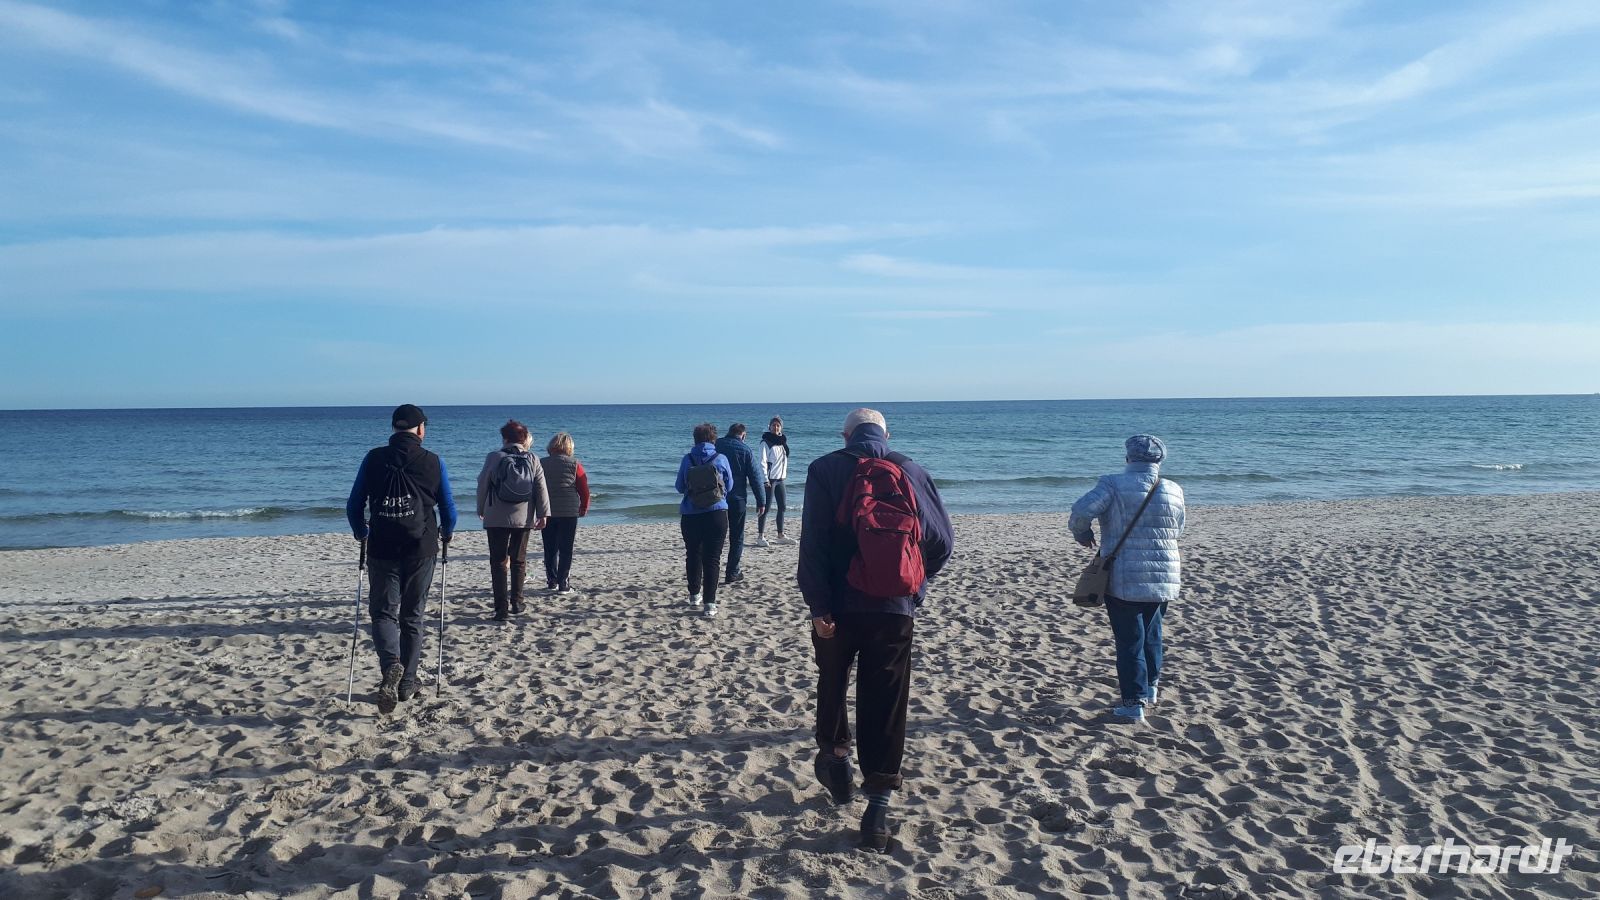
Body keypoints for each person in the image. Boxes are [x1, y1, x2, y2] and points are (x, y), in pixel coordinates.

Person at [797, 408, 954, 851]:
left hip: (837, 606)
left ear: (845, 435)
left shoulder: (824, 468)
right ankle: (878, 807)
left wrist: (817, 603)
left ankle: (835, 760)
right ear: (886, 435)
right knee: (885, 698)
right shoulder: (910, 469)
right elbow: (942, 542)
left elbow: (814, 542)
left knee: (832, 681)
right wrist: (913, 588)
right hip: (893, 606)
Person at [345, 404, 458, 713]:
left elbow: (354, 503)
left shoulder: (373, 458)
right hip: (421, 548)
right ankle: (407, 684)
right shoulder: (433, 461)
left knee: (383, 613)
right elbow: (448, 507)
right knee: (412, 615)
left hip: (382, 546)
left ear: (394, 428)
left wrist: (360, 532)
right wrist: (447, 533)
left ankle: (390, 666)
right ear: (421, 429)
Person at [1068, 435, 1186, 724]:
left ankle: (1133, 705)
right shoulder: (1172, 489)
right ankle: (1150, 688)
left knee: (1129, 639)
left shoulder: (1112, 484)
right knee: (1153, 632)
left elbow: (1081, 511)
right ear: (1160, 460)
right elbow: (1178, 529)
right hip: (1165, 574)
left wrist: (1083, 534)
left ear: (1128, 459)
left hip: (1124, 573)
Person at [475, 419, 550, 624]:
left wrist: (480, 507)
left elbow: (482, 483)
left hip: (496, 517)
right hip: (523, 516)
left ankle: (501, 609)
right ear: (525, 438)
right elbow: (540, 487)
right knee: (519, 560)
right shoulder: (533, 458)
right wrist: (543, 514)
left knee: (498, 562)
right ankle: (517, 602)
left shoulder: (494, 457)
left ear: (504, 438)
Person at [674, 422, 734, 618]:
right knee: (712, 559)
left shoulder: (687, 459)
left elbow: (680, 487)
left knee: (692, 554)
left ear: (695, 439)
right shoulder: (721, 458)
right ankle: (710, 603)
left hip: (691, 515)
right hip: (716, 514)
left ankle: (694, 595)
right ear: (713, 439)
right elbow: (730, 485)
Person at [714, 423, 767, 584]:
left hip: (715, 498)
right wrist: (761, 501)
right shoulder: (745, 450)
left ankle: (712, 571)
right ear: (743, 435)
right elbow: (755, 478)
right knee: (737, 537)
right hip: (737, 499)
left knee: (716, 536)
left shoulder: (716, 444)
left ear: (729, 433)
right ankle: (732, 572)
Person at [540, 431, 590, 594]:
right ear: (569, 447)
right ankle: (563, 582)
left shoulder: (541, 463)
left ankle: (552, 580)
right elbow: (584, 489)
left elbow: (535, 488)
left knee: (550, 548)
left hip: (547, 510)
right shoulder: (575, 464)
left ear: (551, 446)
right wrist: (584, 507)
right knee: (566, 548)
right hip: (568, 510)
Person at [756, 416, 791, 545]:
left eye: (778, 425)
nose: (775, 428)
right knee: (765, 508)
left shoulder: (782, 442)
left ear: (781, 427)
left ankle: (780, 535)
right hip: (770, 480)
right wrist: (765, 480)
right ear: (769, 427)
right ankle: (760, 536)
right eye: (773, 425)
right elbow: (762, 463)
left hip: (780, 479)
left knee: (782, 507)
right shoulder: (765, 443)